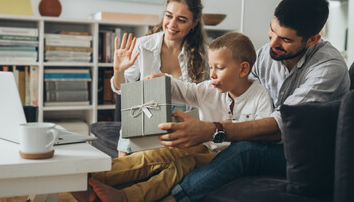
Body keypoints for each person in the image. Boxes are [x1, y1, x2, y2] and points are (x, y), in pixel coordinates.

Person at [156, 0, 350, 201]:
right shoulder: (267, 54)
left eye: (285, 39)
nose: (272, 44)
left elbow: (281, 126)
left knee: (245, 150)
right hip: (268, 141)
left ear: (312, 39)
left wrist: (213, 130)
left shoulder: (328, 67)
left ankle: (173, 198)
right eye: (271, 31)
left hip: (308, 155)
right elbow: (238, 86)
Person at [87, 32, 274, 202]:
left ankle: (127, 197)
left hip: (228, 158)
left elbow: (260, 137)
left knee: (182, 165)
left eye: (220, 67)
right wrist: (163, 79)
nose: (213, 74)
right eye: (211, 67)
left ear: (243, 70)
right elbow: (184, 89)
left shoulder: (260, 96)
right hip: (204, 146)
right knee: (156, 154)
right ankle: (93, 176)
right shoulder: (209, 89)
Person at [111, 0, 208, 157]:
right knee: (126, 147)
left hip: (181, 124)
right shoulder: (142, 45)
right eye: (168, 16)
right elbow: (121, 89)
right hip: (146, 118)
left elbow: (206, 97)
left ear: (194, 23)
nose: (172, 24)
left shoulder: (203, 55)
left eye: (181, 20)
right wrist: (119, 72)